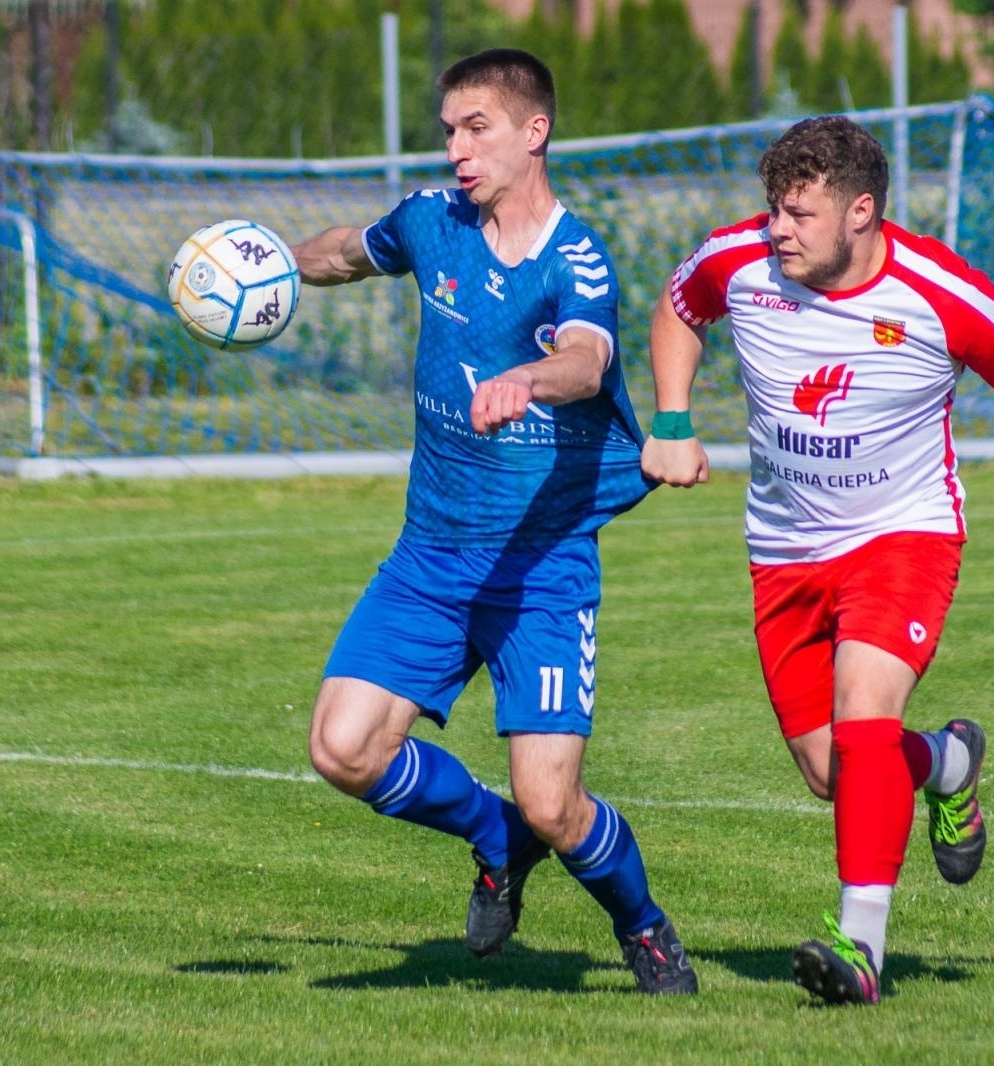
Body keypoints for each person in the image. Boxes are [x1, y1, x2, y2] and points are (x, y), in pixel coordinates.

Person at [640, 115, 994, 1005]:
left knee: (866, 711)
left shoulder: (943, 295)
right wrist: (673, 420)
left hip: (902, 538)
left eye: (799, 214)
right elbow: (679, 307)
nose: (778, 231)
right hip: (782, 551)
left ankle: (859, 949)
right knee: (835, 774)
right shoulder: (738, 262)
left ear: (861, 211)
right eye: (773, 211)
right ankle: (949, 763)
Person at [292, 48, 697, 995]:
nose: (458, 149)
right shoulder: (433, 224)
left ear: (533, 131)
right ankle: (489, 833)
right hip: (430, 551)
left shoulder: (574, 255)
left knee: (554, 804)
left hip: (542, 566)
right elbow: (349, 252)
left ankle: (641, 924)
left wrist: (527, 377)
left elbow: (589, 361)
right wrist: (263, 266)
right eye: (449, 131)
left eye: (477, 128)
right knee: (341, 749)